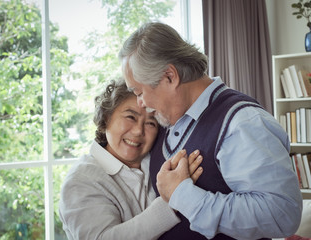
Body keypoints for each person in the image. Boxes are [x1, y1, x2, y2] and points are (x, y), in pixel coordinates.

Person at [118, 22, 303, 240]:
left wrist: (182, 194)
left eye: (139, 92)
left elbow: (281, 215)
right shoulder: (164, 121)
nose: (140, 103)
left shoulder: (242, 122)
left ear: (170, 76)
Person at [59, 80, 204, 240]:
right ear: (107, 118)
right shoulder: (80, 181)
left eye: (150, 123)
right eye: (130, 117)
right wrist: (170, 199)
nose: (138, 131)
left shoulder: (161, 161)